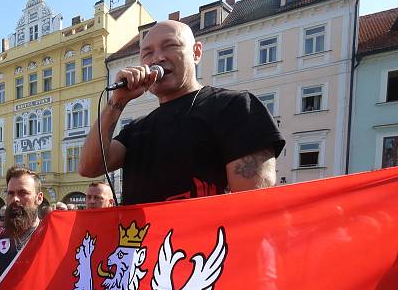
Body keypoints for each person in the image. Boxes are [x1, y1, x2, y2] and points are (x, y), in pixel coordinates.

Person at [79, 20, 285, 204]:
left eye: (171, 46)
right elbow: (89, 167)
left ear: (196, 52)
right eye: (147, 53)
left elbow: (254, 205)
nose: (157, 58)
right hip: (144, 244)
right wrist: (116, 103)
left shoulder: (235, 107)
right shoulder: (136, 130)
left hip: (205, 246)